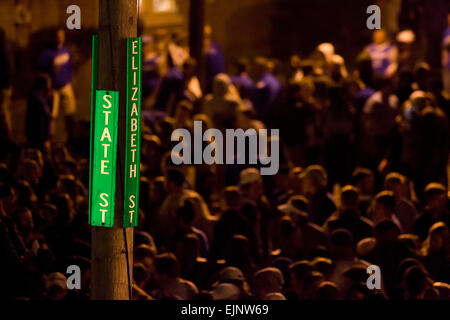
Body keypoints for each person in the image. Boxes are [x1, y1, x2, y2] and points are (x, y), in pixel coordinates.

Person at [37, 29, 76, 144]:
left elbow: (70, 67)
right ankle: (50, 138)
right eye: (57, 36)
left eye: (61, 36)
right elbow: (40, 67)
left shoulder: (66, 50)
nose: (59, 38)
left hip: (66, 86)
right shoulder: (47, 53)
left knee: (70, 113)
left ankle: (71, 137)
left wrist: (70, 78)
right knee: (52, 115)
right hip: (54, 88)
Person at [26, 74, 53, 150]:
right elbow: (38, 123)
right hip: (38, 142)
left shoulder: (40, 99)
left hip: (38, 140)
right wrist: (43, 141)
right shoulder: (38, 101)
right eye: (48, 84)